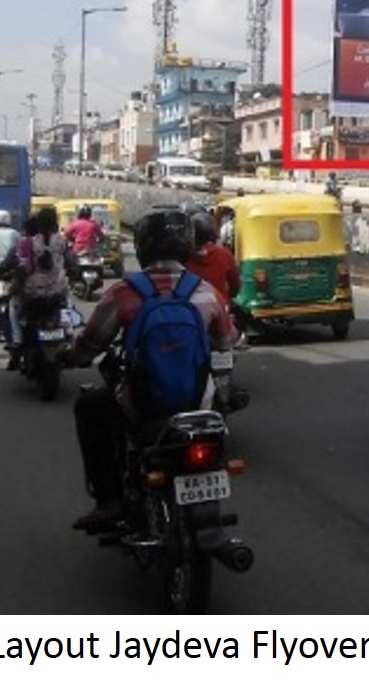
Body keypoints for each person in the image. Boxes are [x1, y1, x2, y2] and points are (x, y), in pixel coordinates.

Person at [66, 208, 236, 530]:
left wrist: (72, 357)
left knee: (89, 408)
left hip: (140, 405)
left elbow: (91, 343)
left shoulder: (125, 292)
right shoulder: (205, 291)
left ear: (144, 246)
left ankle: (109, 501)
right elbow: (227, 342)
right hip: (197, 402)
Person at [7, 206, 71, 366]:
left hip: (33, 294)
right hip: (57, 291)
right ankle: (69, 333)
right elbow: (69, 262)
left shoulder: (28, 243)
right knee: (67, 306)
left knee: (13, 307)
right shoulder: (62, 241)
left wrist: (13, 289)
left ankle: (17, 340)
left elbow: (23, 269)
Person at [185, 210, 240, 304]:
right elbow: (235, 288)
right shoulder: (224, 255)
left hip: (191, 311)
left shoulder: (183, 256)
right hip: (219, 308)